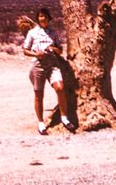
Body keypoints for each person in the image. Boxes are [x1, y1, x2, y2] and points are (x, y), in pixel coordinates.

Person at [23, 7, 76, 135]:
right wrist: (36, 54)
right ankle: (41, 123)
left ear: (49, 18)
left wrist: (53, 48)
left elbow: (60, 50)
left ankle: (64, 117)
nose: (43, 18)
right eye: (41, 16)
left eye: (45, 16)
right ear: (38, 18)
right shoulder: (32, 33)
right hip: (38, 65)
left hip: (53, 64)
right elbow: (25, 50)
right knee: (39, 94)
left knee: (60, 88)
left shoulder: (53, 33)